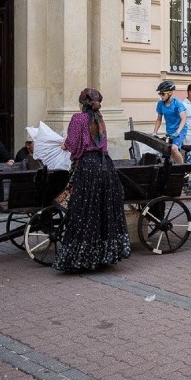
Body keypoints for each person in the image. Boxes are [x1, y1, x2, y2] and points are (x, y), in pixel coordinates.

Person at [53, 88, 130, 273]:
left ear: (82, 103)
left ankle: (82, 258)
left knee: (84, 212)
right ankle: (103, 255)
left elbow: (72, 144)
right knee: (102, 211)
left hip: (87, 168)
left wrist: (65, 145)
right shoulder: (99, 119)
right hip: (105, 168)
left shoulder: (78, 119)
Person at [152, 80, 187, 165]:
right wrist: (154, 132)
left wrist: (178, 132)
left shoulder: (177, 103)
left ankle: (183, 169)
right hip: (170, 131)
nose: (161, 96)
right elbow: (159, 119)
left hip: (180, 130)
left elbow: (183, 119)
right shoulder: (160, 104)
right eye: (160, 94)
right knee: (166, 151)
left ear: (170, 93)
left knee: (174, 149)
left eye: (163, 94)